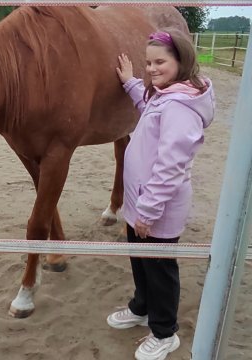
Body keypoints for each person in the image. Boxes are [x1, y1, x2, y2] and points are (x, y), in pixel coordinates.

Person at [107, 28, 215, 360]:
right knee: (141, 261)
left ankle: (165, 332)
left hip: (157, 208)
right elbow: (149, 107)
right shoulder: (166, 96)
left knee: (160, 268)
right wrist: (130, 83)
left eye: (160, 62)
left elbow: (170, 165)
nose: (151, 69)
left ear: (181, 62)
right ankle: (141, 307)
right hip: (141, 202)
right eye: (148, 63)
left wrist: (149, 211)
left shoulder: (181, 107)